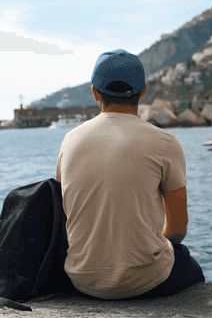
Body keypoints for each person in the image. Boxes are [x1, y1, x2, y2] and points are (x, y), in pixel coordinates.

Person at [55, 49, 204, 300]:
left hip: (81, 279)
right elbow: (178, 228)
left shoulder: (70, 140)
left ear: (95, 92)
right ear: (143, 91)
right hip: (145, 282)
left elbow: (63, 215)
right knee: (189, 265)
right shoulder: (165, 143)